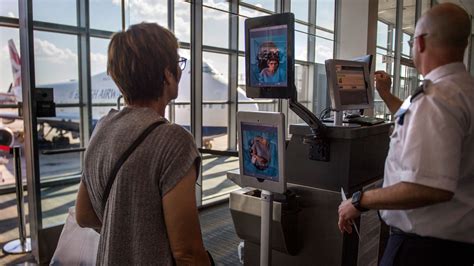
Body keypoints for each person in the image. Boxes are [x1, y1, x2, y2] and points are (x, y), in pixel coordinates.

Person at [338, 3, 474, 266]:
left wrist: (360, 200)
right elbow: (412, 117)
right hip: (454, 246)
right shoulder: (461, 90)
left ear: (421, 42)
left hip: (421, 249)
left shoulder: (436, 99)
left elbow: (429, 187)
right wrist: (386, 94)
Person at [75, 23, 211, 265]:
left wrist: (125, 232)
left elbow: (83, 214)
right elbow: (187, 253)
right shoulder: (173, 141)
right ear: (168, 74)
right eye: (177, 64)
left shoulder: (102, 127)